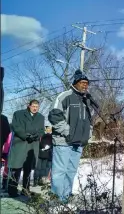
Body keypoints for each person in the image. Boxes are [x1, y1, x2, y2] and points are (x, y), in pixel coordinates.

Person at [48, 69, 93, 202]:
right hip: (63, 142)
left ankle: (65, 199)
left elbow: (89, 120)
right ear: (75, 83)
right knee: (59, 172)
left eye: (87, 83)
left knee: (71, 172)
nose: (85, 85)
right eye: (82, 82)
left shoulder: (86, 100)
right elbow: (54, 116)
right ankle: (56, 202)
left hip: (78, 143)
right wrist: (69, 132)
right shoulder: (64, 96)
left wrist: (88, 134)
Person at [7, 100, 45, 197]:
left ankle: (25, 189)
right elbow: (16, 126)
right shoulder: (18, 114)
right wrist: (25, 135)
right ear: (29, 106)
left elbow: (41, 130)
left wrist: (36, 136)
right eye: (33, 106)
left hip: (32, 145)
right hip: (20, 144)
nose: (35, 108)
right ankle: (12, 190)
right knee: (16, 168)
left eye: (37, 106)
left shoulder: (41, 117)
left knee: (28, 169)